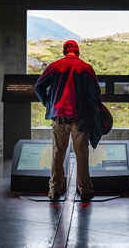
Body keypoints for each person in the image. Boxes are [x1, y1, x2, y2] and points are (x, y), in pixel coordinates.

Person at [34, 40, 101, 201]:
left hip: (58, 118)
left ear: (64, 51)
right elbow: (95, 93)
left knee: (58, 154)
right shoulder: (86, 68)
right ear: (77, 51)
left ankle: (54, 190)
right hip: (80, 120)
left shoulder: (54, 66)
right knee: (81, 154)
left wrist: (49, 104)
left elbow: (38, 87)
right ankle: (85, 190)